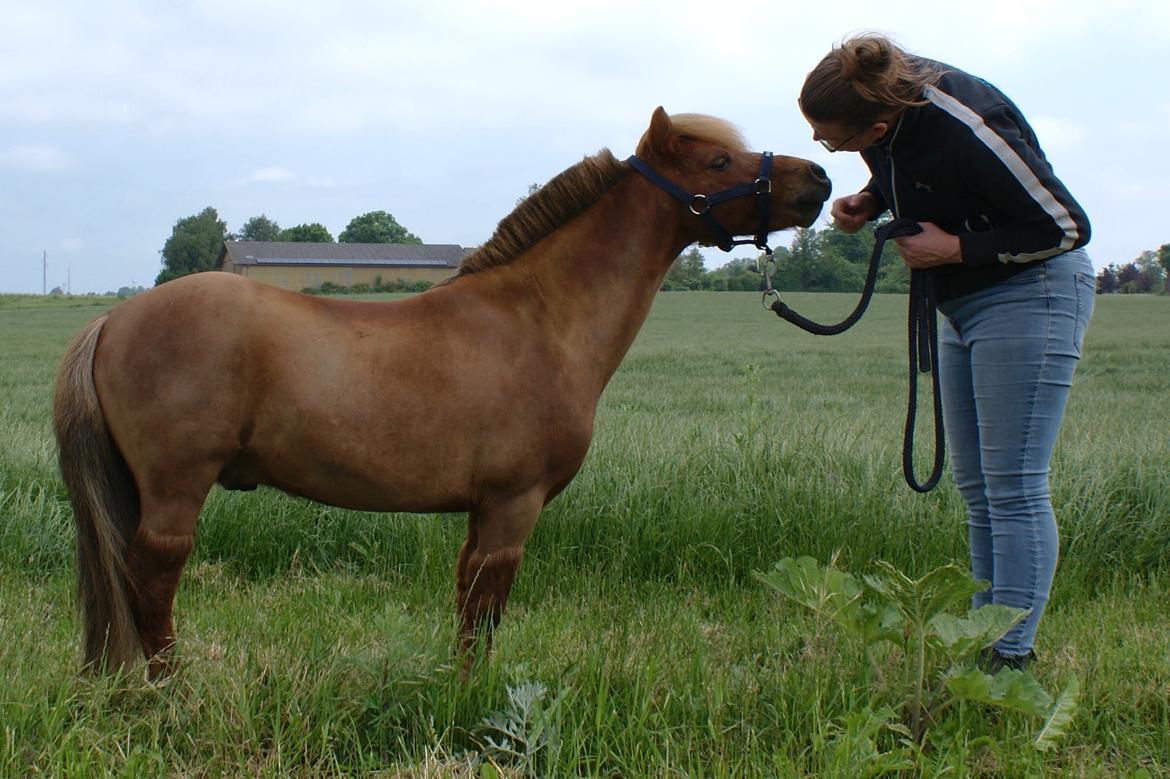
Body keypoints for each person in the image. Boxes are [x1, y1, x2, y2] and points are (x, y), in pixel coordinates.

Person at [798, 33, 1095, 671]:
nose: (830, 150)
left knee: (1013, 487)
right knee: (978, 487)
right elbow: (911, 166)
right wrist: (872, 199)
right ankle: (987, 638)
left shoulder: (968, 123)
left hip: (1030, 291)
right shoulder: (889, 117)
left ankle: (1008, 655)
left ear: (878, 121)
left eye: (834, 141)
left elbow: (1067, 226)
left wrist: (956, 250)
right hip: (959, 303)